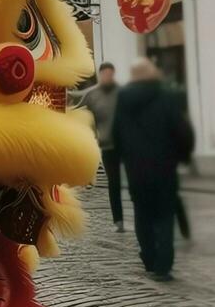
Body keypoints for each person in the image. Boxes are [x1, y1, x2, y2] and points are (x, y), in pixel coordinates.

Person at [113, 58, 195, 282]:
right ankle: (163, 266)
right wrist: (183, 155)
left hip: (136, 169)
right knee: (164, 215)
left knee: (142, 214)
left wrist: (123, 158)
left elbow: (116, 132)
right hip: (164, 166)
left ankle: (149, 258)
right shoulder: (165, 95)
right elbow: (182, 130)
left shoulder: (123, 98)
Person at [77, 62, 124, 232]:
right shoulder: (92, 95)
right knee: (114, 183)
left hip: (127, 144)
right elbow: (83, 115)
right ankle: (118, 220)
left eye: (110, 74)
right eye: (105, 74)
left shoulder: (123, 93)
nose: (108, 77)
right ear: (100, 75)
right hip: (107, 145)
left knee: (136, 180)